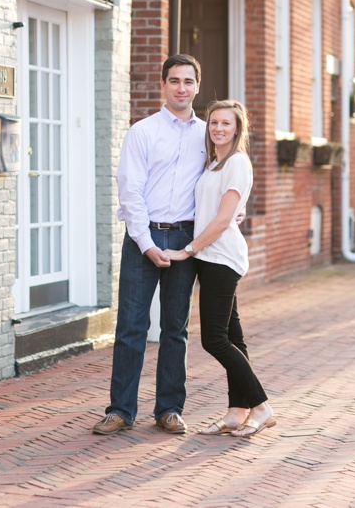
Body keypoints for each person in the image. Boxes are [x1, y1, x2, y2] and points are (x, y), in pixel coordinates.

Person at [93, 54, 206, 436]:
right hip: (144, 236)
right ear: (164, 85)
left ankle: (169, 409)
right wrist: (145, 242)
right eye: (174, 80)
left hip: (186, 241)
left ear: (197, 86)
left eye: (188, 81)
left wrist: (233, 213)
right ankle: (121, 410)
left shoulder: (208, 134)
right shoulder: (142, 132)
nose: (181, 88)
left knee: (176, 329)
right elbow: (131, 192)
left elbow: (221, 182)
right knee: (131, 327)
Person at [163, 100, 276, 438]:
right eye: (214, 123)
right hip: (210, 257)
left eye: (226, 123)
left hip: (221, 258)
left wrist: (187, 250)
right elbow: (222, 209)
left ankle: (260, 405)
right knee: (233, 338)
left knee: (214, 339)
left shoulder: (237, 163)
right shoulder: (215, 163)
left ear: (237, 129)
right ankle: (235, 412)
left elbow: (223, 219)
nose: (218, 129)